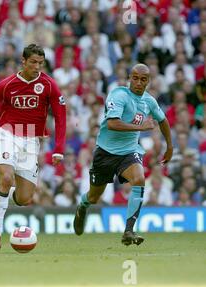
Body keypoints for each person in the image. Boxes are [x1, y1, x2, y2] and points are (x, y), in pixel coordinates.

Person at [0, 44, 66, 250]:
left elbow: (60, 116)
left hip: (31, 141)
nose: (37, 67)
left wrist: (59, 148)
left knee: (24, 198)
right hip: (6, 134)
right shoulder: (6, 85)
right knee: (6, 178)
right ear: (23, 61)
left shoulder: (49, 85)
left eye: (40, 63)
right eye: (33, 62)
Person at [73, 63, 173, 246]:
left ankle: (129, 231)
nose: (138, 82)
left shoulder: (149, 101)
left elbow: (163, 120)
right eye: (135, 78)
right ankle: (83, 205)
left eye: (143, 79)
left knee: (139, 178)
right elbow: (113, 123)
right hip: (105, 152)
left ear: (148, 81)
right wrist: (141, 127)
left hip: (129, 151)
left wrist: (170, 146)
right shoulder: (119, 95)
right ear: (129, 78)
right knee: (95, 197)